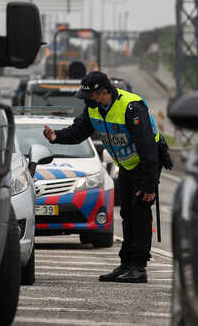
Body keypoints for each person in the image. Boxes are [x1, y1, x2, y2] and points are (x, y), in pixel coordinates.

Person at [43, 71, 160, 283]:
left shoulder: (131, 108)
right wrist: (56, 136)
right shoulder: (94, 108)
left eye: (90, 96)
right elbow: (79, 131)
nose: (87, 101)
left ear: (104, 92)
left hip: (145, 166)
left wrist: (149, 184)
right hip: (126, 166)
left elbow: (149, 148)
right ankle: (126, 264)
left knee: (140, 216)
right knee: (127, 214)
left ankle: (139, 268)